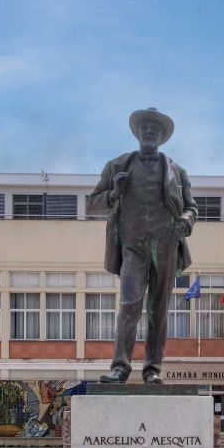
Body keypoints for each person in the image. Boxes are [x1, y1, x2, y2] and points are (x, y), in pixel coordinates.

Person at [87, 108, 197, 384]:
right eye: (145, 127)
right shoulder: (117, 166)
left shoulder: (176, 170)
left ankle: (152, 369)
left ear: (162, 137)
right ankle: (120, 367)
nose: (150, 132)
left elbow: (192, 207)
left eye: (155, 130)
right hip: (133, 245)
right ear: (137, 132)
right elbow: (92, 205)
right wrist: (114, 192)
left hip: (166, 244)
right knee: (129, 305)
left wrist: (184, 221)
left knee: (158, 309)